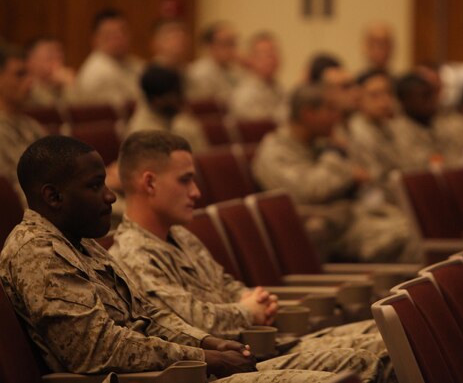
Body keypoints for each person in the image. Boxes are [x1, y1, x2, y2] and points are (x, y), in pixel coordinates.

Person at [0, 135, 345, 382]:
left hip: (179, 370)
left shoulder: (81, 243)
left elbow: (147, 314)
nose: (109, 197)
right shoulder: (38, 251)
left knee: (362, 363)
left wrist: (206, 341)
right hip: (158, 377)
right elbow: (96, 349)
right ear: (53, 196)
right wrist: (203, 356)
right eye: (94, 186)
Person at [108, 131, 384, 381]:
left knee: (382, 338)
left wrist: (254, 301)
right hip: (219, 369)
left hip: (260, 347)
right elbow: (192, 324)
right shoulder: (133, 254)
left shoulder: (180, 235)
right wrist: (248, 311)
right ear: (150, 183)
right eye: (185, 180)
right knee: (362, 362)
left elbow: (226, 284)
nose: (196, 192)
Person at [253, 84, 422, 264]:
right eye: (330, 109)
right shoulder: (276, 151)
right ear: (308, 113)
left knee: (420, 226)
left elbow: (362, 174)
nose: (337, 116)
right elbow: (310, 192)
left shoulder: (317, 143)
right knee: (410, 238)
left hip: (349, 219)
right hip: (322, 232)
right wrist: (335, 156)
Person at [0, 49, 46, 186]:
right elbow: (7, 188)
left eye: (29, 74)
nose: (30, 81)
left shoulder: (30, 124)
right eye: (20, 74)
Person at [126, 65, 208, 152]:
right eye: (174, 96)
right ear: (156, 100)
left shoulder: (182, 121)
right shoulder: (142, 135)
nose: (181, 100)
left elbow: (201, 156)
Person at [75, 8, 144, 107]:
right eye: (111, 34)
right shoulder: (97, 71)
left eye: (122, 32)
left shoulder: (135, 63)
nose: (119, 38)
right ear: (95, 39)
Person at [347, 71, 400, 179]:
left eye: (388, 93)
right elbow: (374, 175)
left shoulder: (392, 125)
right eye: (375, 95)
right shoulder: (355, 131)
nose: (384, 101)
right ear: (359, 97)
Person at [389, 73, 448, 172]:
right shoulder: (395, 131)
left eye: (431, 95)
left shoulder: (440, 124)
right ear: (405, 101)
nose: (431, 101)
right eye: (424, 96)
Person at [228, 32, 287, 122]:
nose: (272, 59)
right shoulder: (244, 94)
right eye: (265, 55)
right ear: (251, 59)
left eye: (274, 54)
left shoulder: (278, 88)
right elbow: (262, 126)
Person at [186, 22, 243, 103]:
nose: (231, 48)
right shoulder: (200, 71)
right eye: (226, 43)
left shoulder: (237, 69)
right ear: (210, 45)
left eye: (233, 43)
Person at [24, 36, 77, 107]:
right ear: (30, 60)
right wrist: (69, 86)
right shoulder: (26, 87)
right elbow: (49, 109)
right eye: (50, 55)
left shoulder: (59, 84)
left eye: (59, 54)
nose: (57, 59)